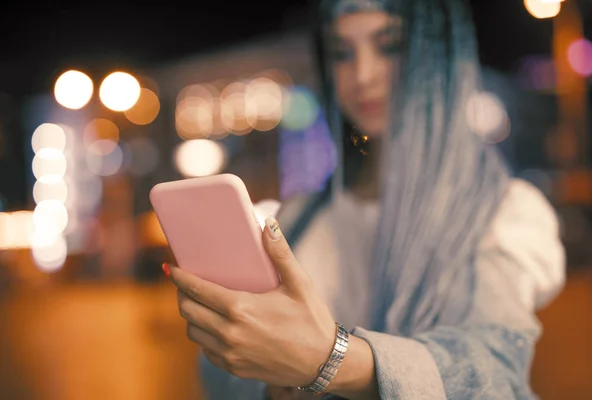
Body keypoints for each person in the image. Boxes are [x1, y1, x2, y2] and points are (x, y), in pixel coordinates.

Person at [163, 0, 566, 398]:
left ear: (438, 55)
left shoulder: (503, 212)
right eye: (341, 53)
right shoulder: (303, 214)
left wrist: (327, 360)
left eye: (389, 46)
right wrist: (270, 376)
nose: (363, 75)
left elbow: (492, 369)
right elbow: (222, 369)